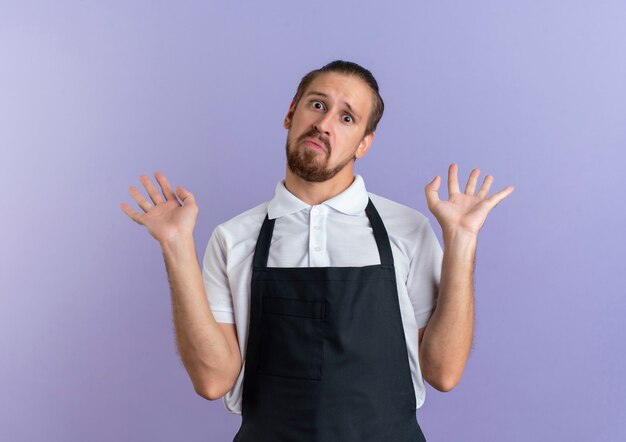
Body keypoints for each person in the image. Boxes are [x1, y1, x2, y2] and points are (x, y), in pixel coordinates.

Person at [120, 60, 514, 441]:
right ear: (291, 114)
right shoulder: (234, 238)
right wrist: (176, 245)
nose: (324, 124)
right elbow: (212, 380)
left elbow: (443, 372)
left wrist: (461, 241)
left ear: (364, 143)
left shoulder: (407, 230)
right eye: (317, 104)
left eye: (347, 118)